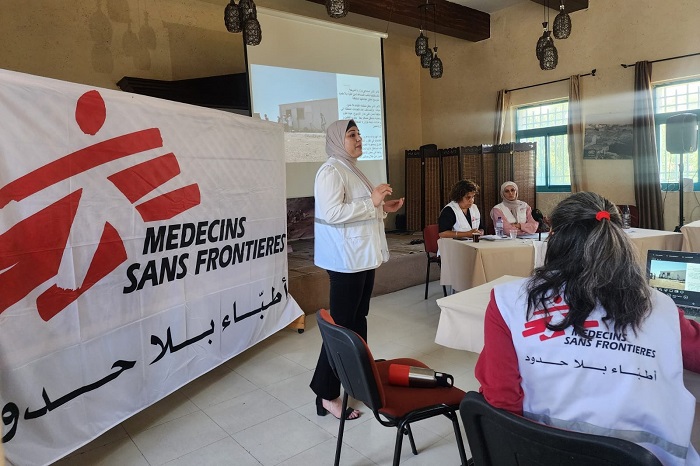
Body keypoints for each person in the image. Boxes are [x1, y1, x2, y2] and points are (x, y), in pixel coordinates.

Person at [475, 192, 700, 465]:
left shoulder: (509, 301)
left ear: (553, 237)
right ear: (618, 239)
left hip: (538, 456)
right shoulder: (658, 305)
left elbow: (501, 399)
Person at [310, 119, 404, 420]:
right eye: (352, 135)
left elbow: (359, 207)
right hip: (345, 260)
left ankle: (359, 381)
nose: (359, 138)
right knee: (341, 328)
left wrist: (382, 207)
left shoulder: (350, 168)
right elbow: (333, 213)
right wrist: (372, 202)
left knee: (356, 321)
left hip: (361, 257)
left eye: (359, 134)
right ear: (338, 140)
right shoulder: (330, 171)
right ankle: (326, 394)